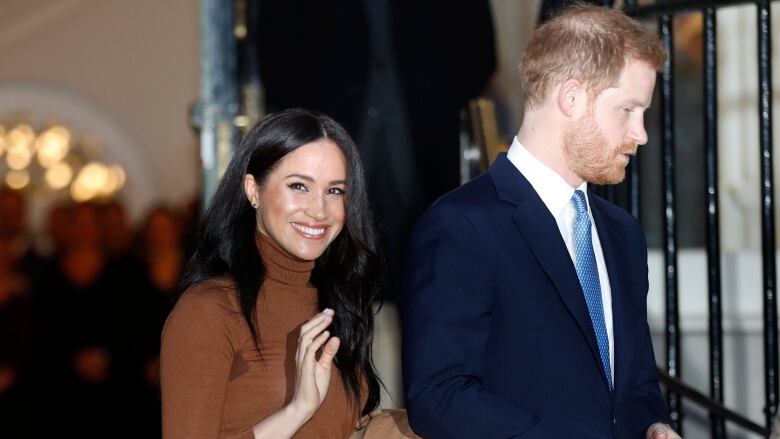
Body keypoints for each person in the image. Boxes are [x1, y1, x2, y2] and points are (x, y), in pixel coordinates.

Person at [402, 5, 681, 439]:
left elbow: (637, 382)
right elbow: (440, 397)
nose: (641, 133)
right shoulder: (460, 225)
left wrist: (653, 424)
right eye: (628, 110)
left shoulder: (621, 233)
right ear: (572, 98)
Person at [160, 109, 382, 439]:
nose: (318, 210)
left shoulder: (338, 303)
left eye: (335, 191)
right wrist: (297, 410)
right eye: (299, 186)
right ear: (253, 189)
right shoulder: (210, 310)